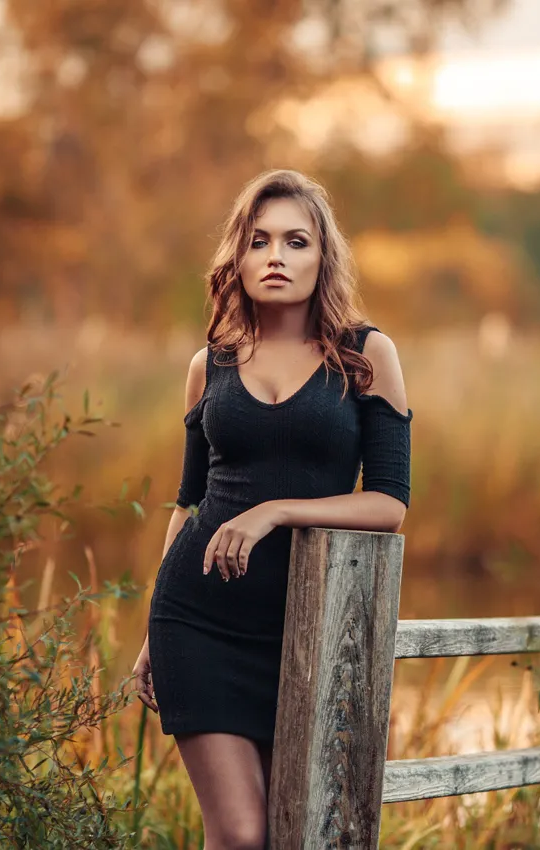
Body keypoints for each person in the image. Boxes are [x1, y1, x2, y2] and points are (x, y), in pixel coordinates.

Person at [132, 169, 413, 850]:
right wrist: (151, 632)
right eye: (259, 241)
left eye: (296, 241)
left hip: (310, 635)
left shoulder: (366, 356)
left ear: (324, 258)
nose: (276, 257)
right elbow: (189, 503)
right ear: (239, 256)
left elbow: (390, 502)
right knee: (238, 833)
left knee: (295, 831)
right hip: (198, 621)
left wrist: (277, 512)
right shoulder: (211, 364)